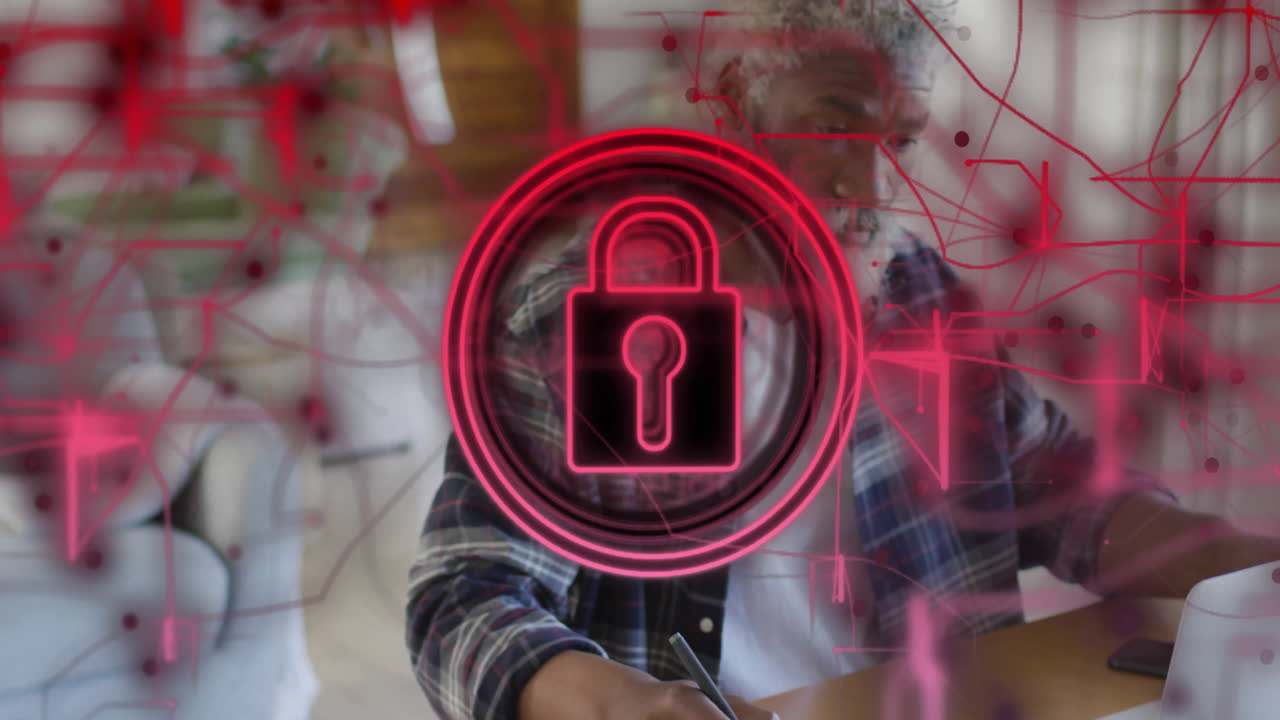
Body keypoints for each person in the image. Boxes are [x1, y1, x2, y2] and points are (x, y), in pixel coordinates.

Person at [406, 2, 1280, 719]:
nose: (869, 190)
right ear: (740, 98)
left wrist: (1258, 561)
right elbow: (462, 602)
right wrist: (629, 705)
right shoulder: (591, 318)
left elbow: (1064, 493)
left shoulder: (913, 291)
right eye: (835, 125)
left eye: (897, 143)